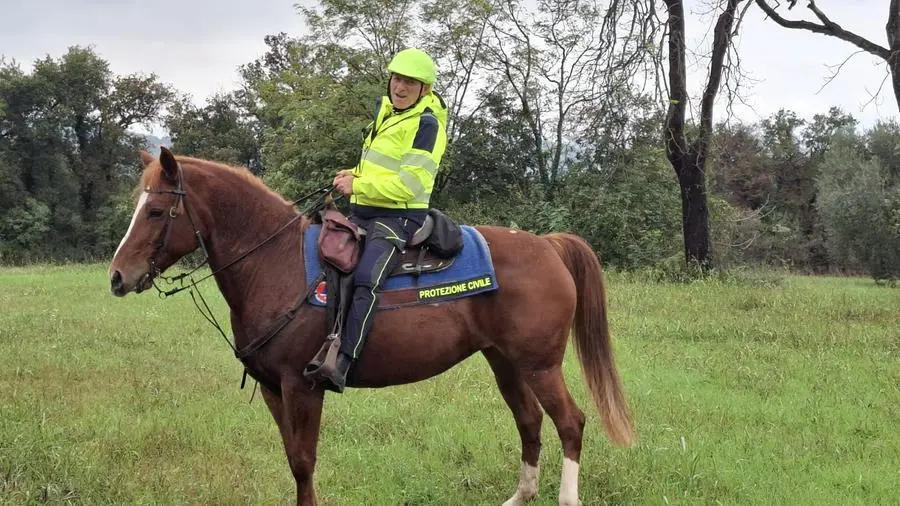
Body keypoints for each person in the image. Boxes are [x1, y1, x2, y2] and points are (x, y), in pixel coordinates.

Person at [318, 48, 449, 393]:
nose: (400, 86)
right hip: (365, 210)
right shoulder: (388, 112)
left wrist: (358, 185)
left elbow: (410, 183)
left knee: (367, 277)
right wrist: (355, 174)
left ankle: (343, 362)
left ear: (425, 90)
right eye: (396, 78)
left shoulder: (426, 124)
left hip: (400, 217)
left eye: (409, 81)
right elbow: (382, 166)